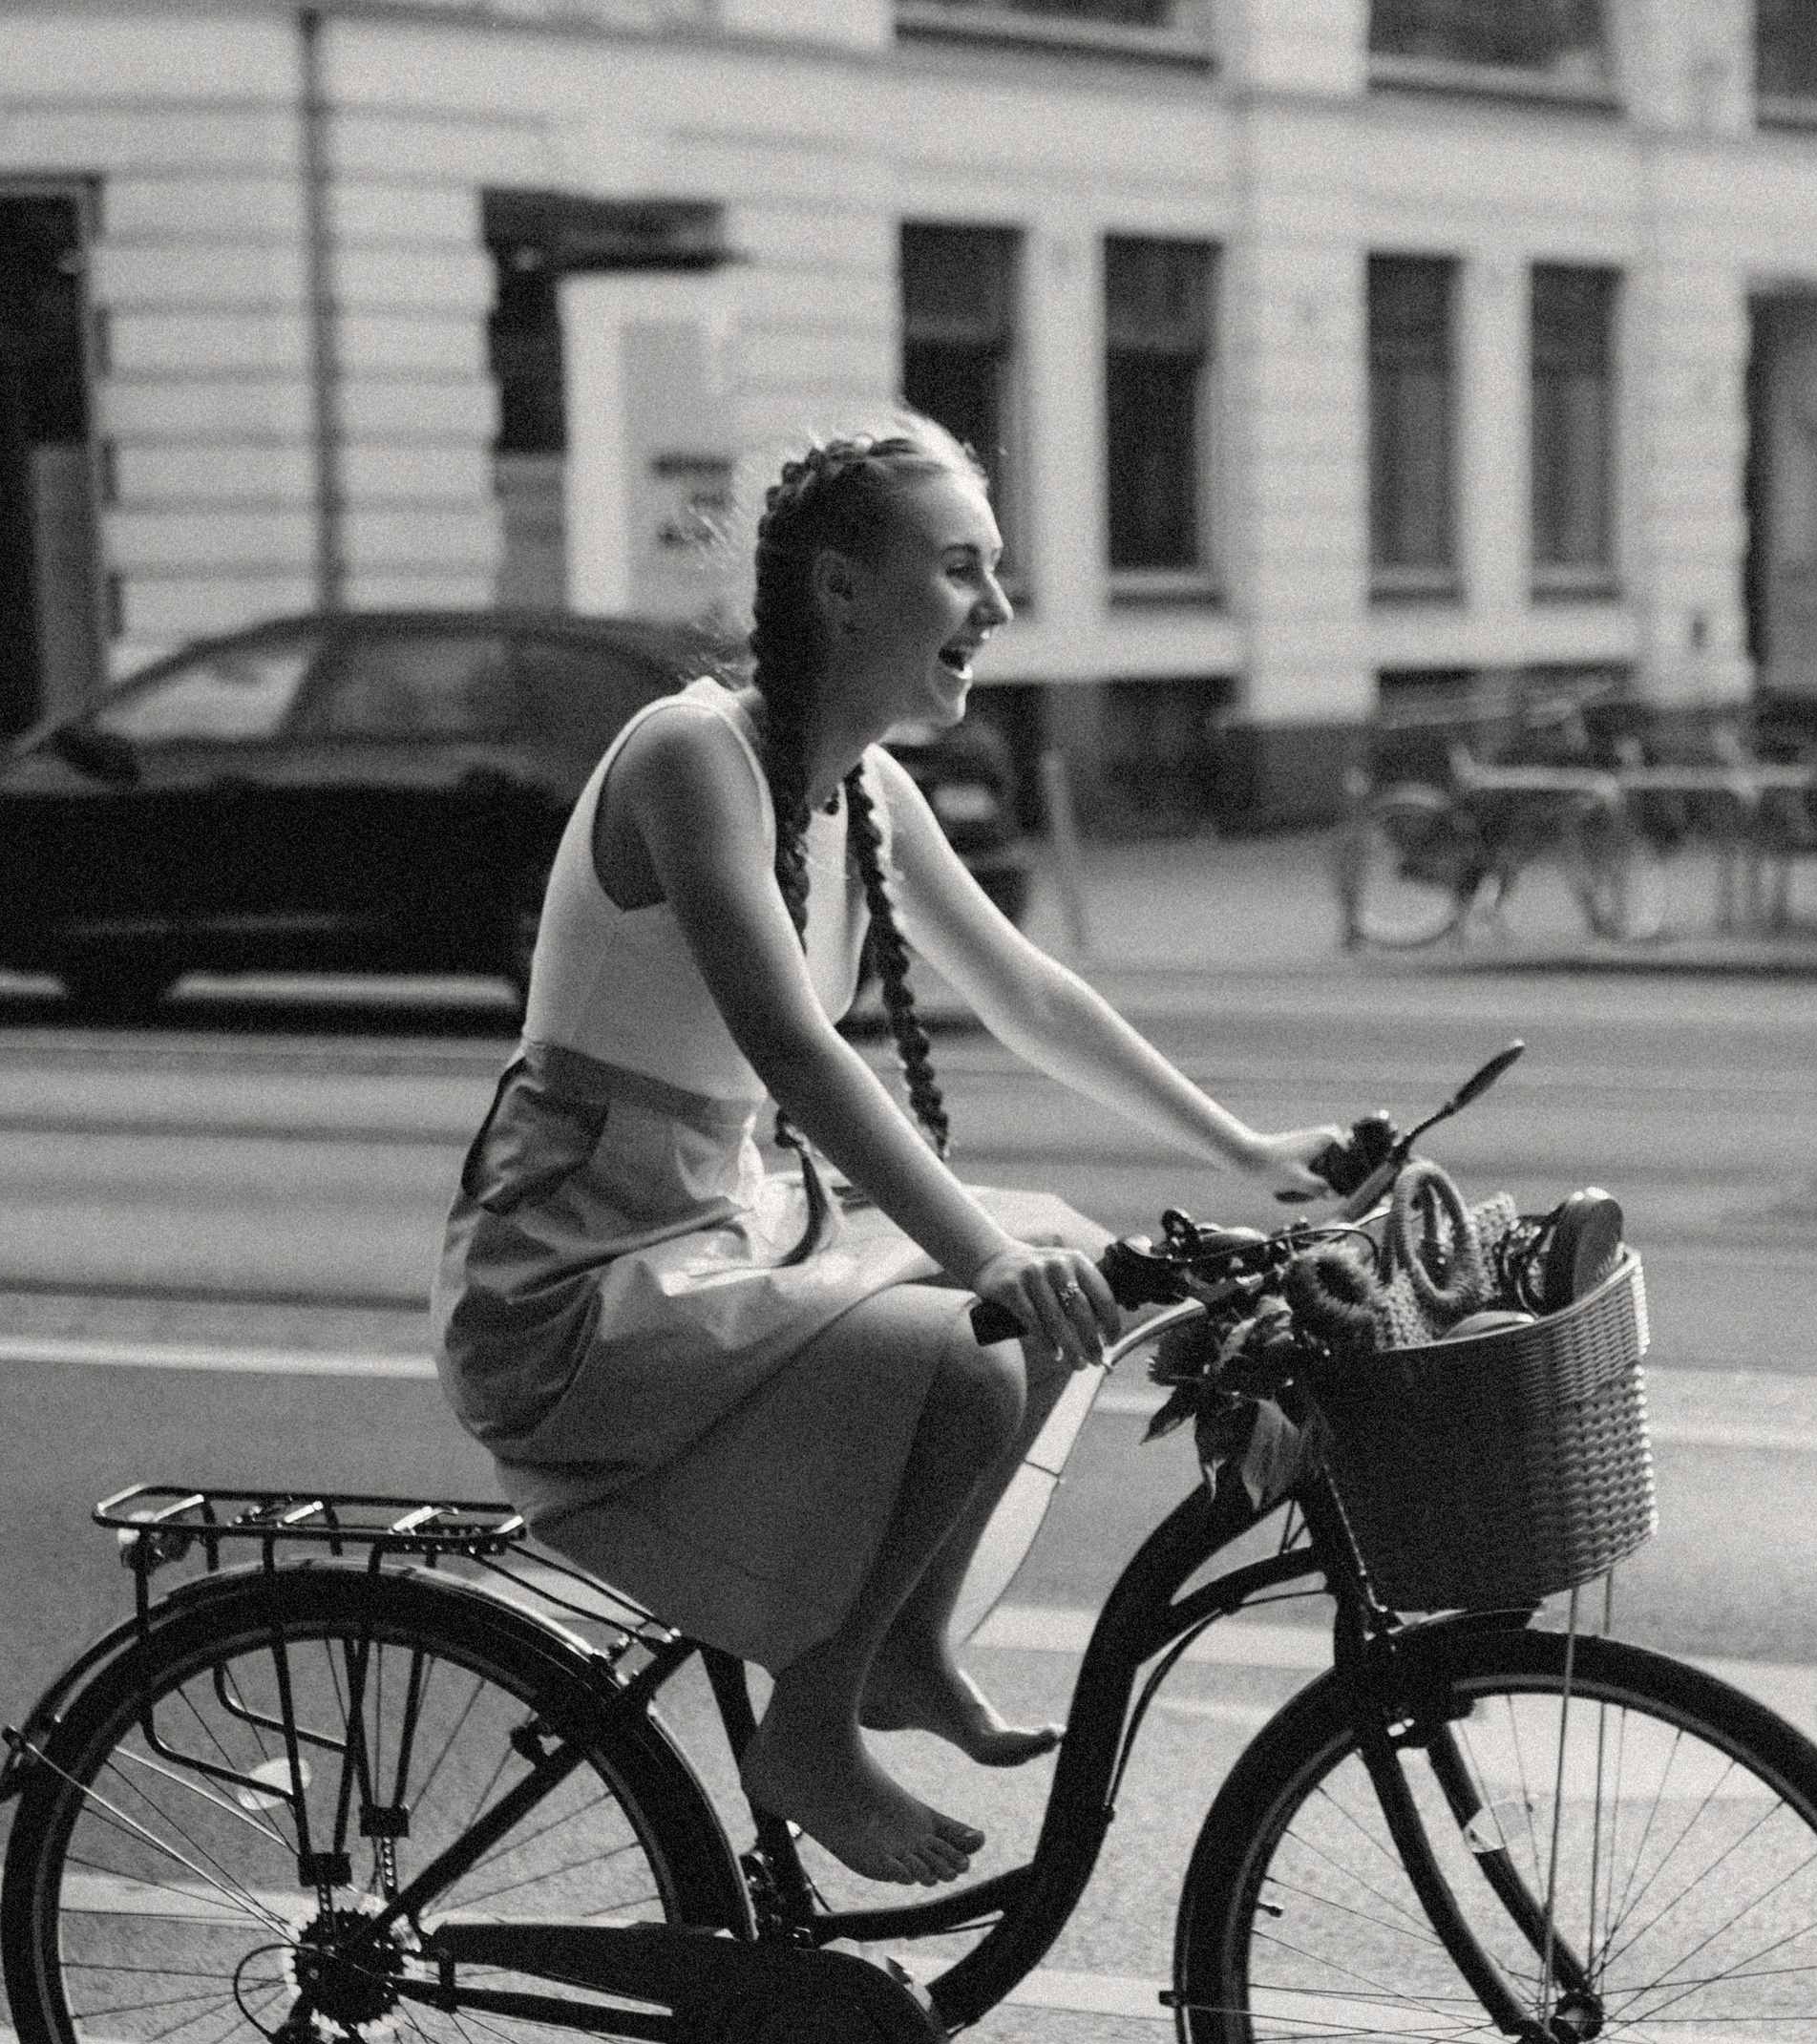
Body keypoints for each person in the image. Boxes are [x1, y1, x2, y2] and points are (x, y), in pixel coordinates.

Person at [433, 417, 1338, 1887]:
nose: (997, 607)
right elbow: (795, 1049)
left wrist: (1249, 1148)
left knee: (1077, 1264)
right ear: (844, 591)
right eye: (963, 568)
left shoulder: (863, 788)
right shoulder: (687, 756)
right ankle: (816, 1721)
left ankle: (900, 1648)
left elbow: (1031, 995)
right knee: (985, 1332)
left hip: (725, 1228)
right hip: (579, 1277)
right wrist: (983, 1260)